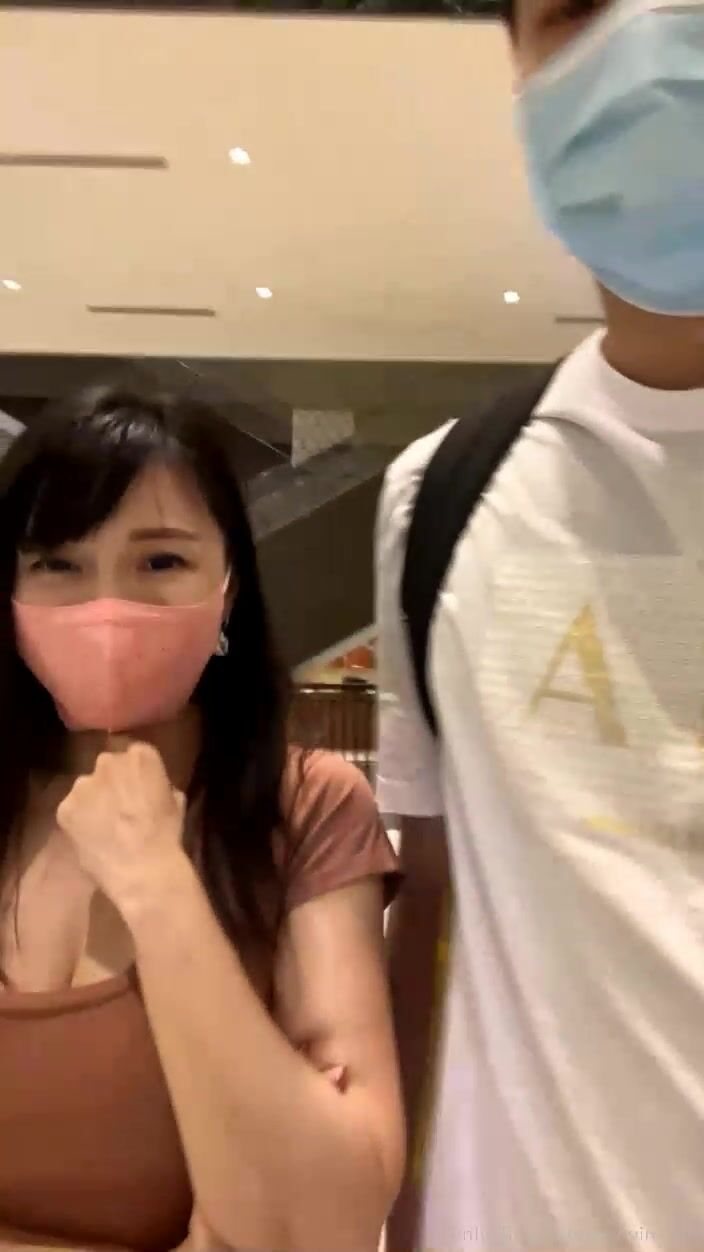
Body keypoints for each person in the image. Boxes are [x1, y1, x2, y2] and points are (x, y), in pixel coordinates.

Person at [376, 1, 704, 1249]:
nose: (643, 50)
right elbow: (433, 905)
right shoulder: (438, 498)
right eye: (572, 10)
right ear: (516, 63)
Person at [0, 387, 404, 1252]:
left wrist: (157, 885)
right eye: (59, 565)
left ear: (228, 592)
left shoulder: (310, 810)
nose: (106, 608)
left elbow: (323, 1224)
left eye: (160, 562)